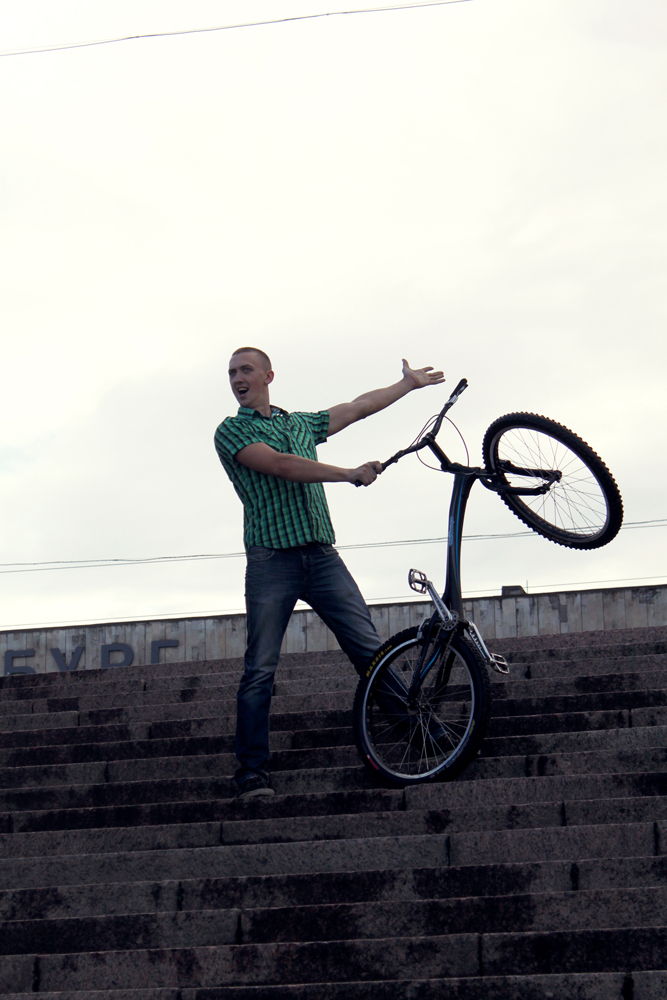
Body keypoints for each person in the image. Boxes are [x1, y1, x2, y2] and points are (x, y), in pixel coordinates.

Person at [214, 347, 445, 798]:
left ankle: (416, 730)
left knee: (370, 650)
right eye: (232, 373)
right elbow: (281, 466)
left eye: (246, 370)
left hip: (322, 557)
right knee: (260, 668)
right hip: (271, 561)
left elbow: (358, 407)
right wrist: (348, 473)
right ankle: (251, 771)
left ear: (268, 376)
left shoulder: (300, 424)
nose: (238, 378)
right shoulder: (232, 431)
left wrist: (406, 385)